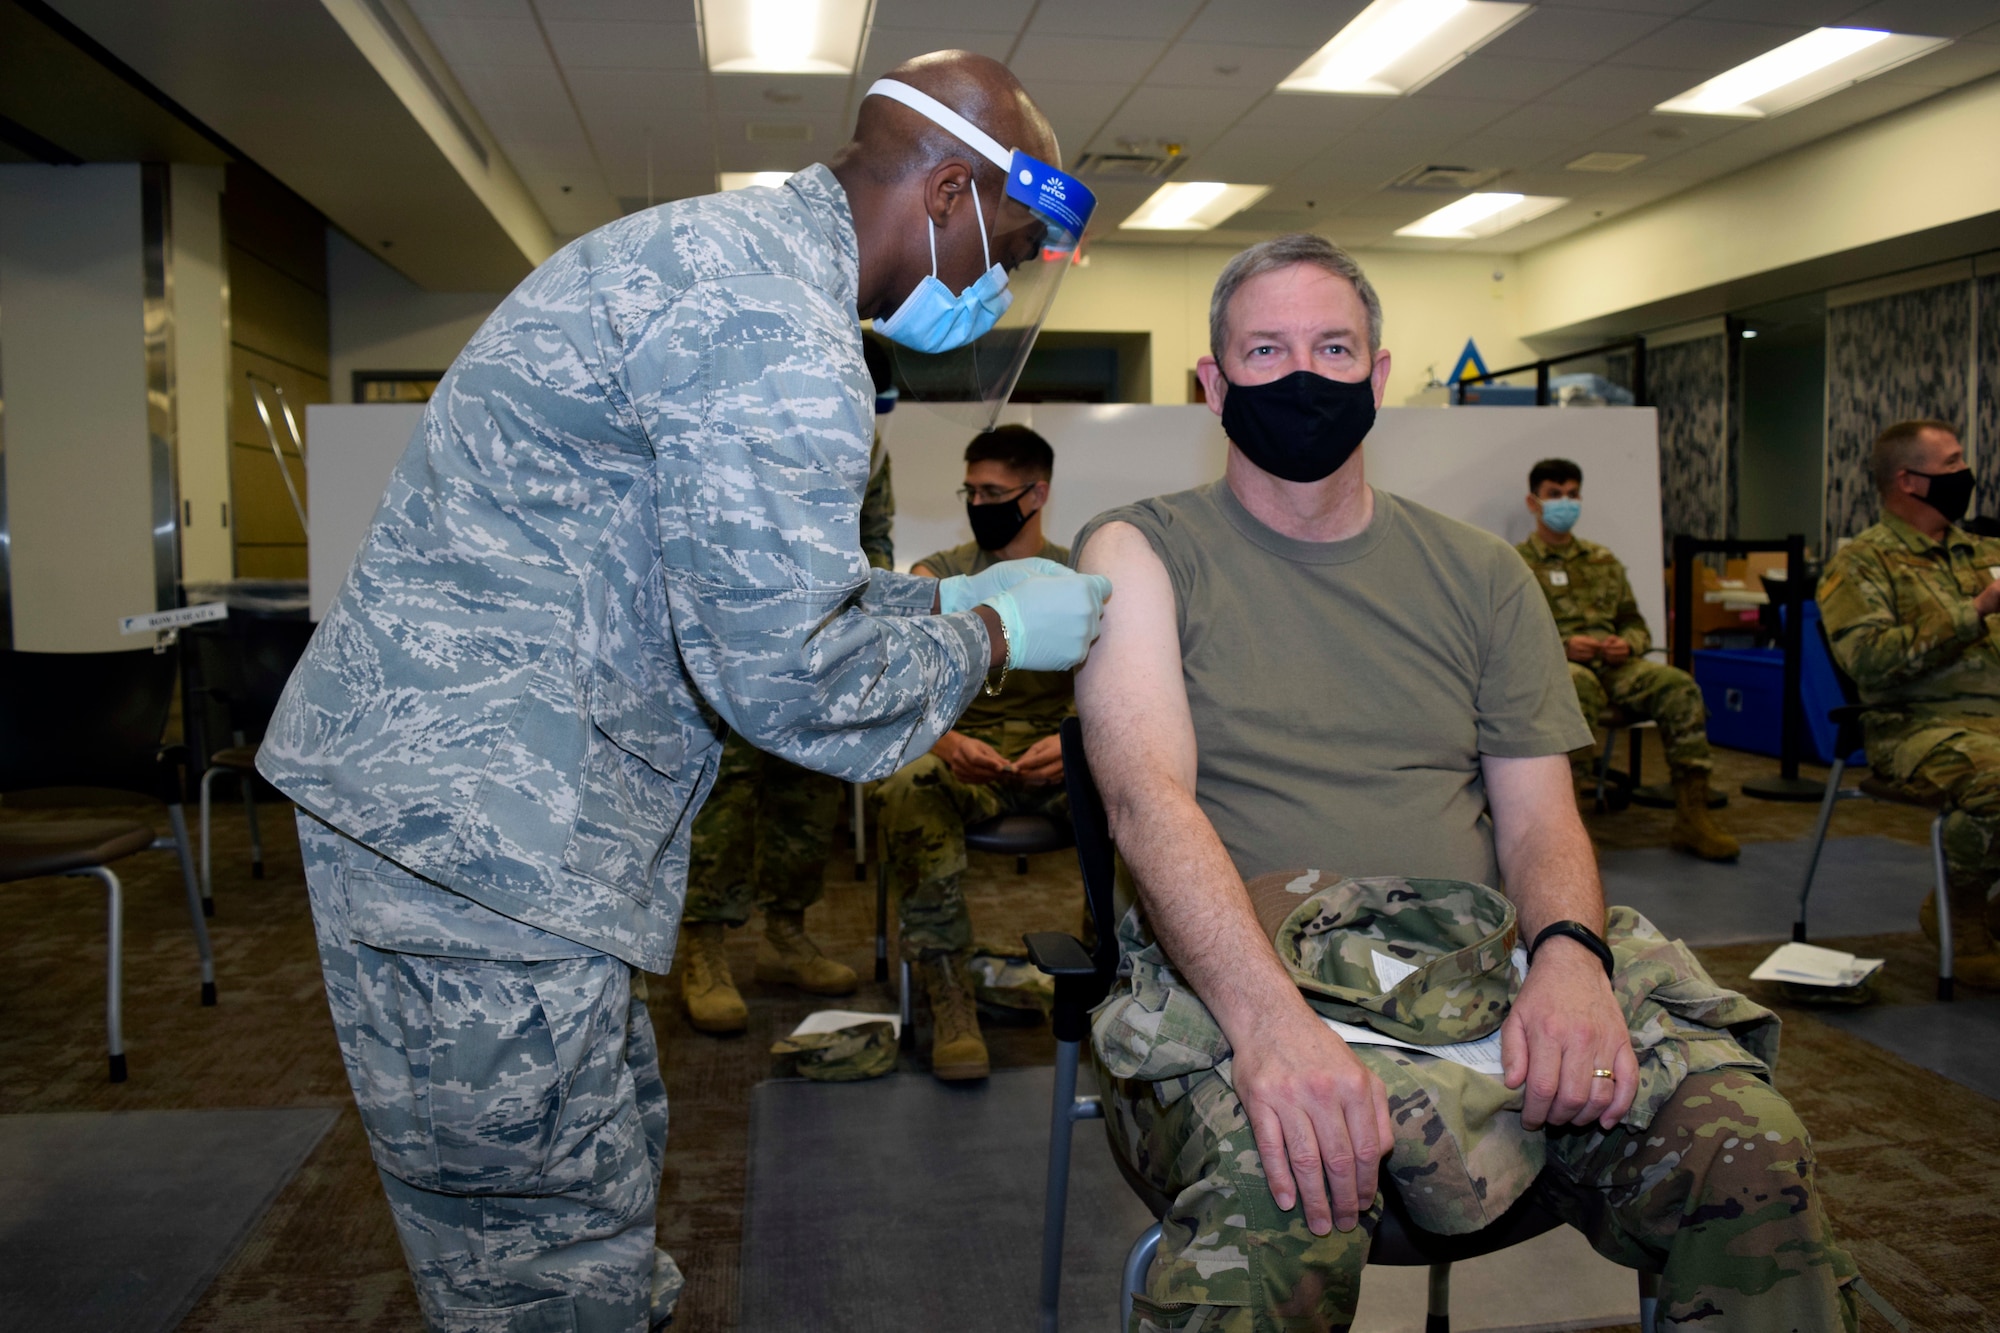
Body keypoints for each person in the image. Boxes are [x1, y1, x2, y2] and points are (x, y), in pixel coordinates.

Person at [257, 52, 1113, 1332]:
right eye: (1011, 245)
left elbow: (721, 582)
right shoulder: (773, 327)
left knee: (594, 1170)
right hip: (478, 838)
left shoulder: (723, 258)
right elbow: (790, 678)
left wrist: (927, 606)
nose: (999, 286)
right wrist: (990, 633)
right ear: (946, 195)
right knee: (534, 1258)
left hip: (492, 810)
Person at [1073, 234, 1862, 1332]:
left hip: (1475, 972)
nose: (1301, 374)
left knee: (1749, 1148)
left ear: (1377, 376)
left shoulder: (1481, 575)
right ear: (1212, 384)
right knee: (1281, 1191)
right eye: (1263, 349)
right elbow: (1145, 799)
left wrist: (1571, 963)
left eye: (1332, 346)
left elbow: (1540, 816)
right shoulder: (1138, 551)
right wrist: (1271, 1028)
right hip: (1250, 981)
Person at [675, 338, 903, 1035]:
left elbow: (877, 533)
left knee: (806, 793)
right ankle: (702, 948)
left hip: (818, 648)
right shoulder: (743, 429)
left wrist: (865, 601)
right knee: (725, 796)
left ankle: (785, 935)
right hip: (733, 644)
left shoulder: (867, 450)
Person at [880, 424, 1072, 1080]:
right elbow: (904, 684)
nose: (978, 501)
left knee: (1141, 784)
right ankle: (949, 990)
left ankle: (1105, 979)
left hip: (1053, 759)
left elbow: (1118, 690)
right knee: (908, 783)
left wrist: (1076, 743)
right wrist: (947, 738)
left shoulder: (1075, 577)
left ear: (1036, 492)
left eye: (994, 490)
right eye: (971, 488)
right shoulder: (940, 576)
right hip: (965, 757)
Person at [1820, 418, 2000, 989]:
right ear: (1910, 481)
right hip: (1914, 725)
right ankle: (1961, 912)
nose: (1964, 473)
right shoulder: (1861, 563)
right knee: (1998, 779)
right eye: (1950, 463)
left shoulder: (1986, 550)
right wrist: (1974, 610)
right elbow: (1869, 660)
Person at [1516, 458, 1739, 861]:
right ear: (1534, 502)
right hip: (1558, 666)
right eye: (1554, 495)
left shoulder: (1603, 560)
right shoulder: (1515, 562)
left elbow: (1634, 621)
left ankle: (1693, 816)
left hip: (1614, 665)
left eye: (1571, 494)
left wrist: (1628, 644)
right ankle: (1572, 829)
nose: (1564, 502)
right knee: (1576, 684)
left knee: (1678, 685)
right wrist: (1563, 645)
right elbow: (1512, 632)